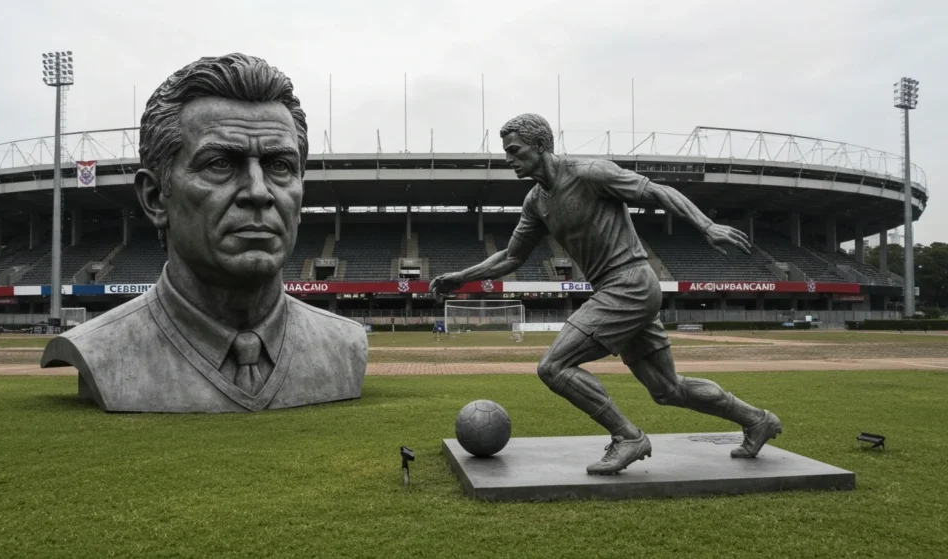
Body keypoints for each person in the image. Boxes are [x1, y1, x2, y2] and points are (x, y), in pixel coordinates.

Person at [430, 113, 782, 474]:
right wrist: (461, 277)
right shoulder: (536, 202)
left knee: (554, 366)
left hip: (629, 283)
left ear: (539, 145)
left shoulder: (590, 173)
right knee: (668, 390)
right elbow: (512, 256)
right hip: (620, 291)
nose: (509, 159)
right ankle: (757, 420)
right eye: (506, 152)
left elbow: (656, 190)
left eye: (515, 150)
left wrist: (705, 226)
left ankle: (627, 436)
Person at [41, 53, 367, 413]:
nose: (258, 192)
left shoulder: (347, 343)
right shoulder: (100, 349)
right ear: (155, 199)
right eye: (220, 164)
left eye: (280, 166)